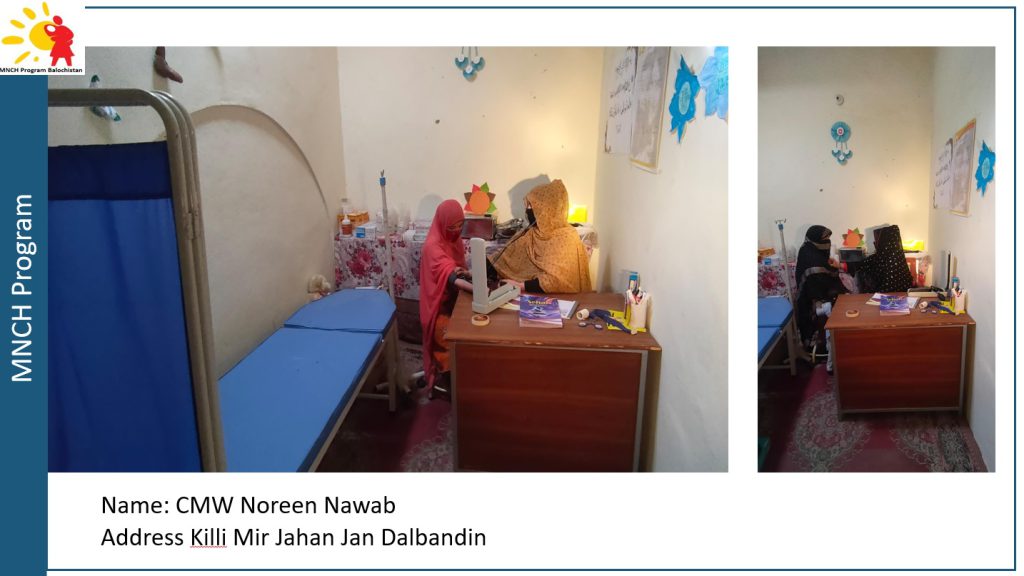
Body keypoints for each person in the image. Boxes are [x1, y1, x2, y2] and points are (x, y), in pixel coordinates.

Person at [489, 180, 592, 293]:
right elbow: (503, 260)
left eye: (532, 206)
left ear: (546, 209)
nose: (527, 210)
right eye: (528, 206)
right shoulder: (531, 234)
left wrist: (520, 285)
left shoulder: (567, 237)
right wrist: (480, 269)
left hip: (558, 298)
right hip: (522, 294)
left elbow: (559, 281)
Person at [418, 200, 472, 398]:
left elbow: (459, 270)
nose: (456, 231)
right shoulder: (432, 246)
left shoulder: (453, 239)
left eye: (460, 225)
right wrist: (478, 289)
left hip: (453, 301)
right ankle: (453, 392)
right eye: (452, 227)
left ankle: (466, 380)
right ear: (442, 224)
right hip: (437, 308)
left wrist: (471, 275)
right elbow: (450, 276)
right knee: (450, 340)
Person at [794, 226, 847, 367]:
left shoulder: (810, 249)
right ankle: (824, 348)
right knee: (842, 302)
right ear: (815, 239)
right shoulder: (811, 257)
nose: (828, 242)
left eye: (829, 238)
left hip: (820, 292)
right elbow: (818, 285)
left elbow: (827, 271)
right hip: (813, 299)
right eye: (825, 239)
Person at [858, 225, 914, 293]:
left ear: (883, 242)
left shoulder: (887, 260)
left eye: (876, 240)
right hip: (902, 293)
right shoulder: (897, 257)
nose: (874, 243)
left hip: (886, 295)